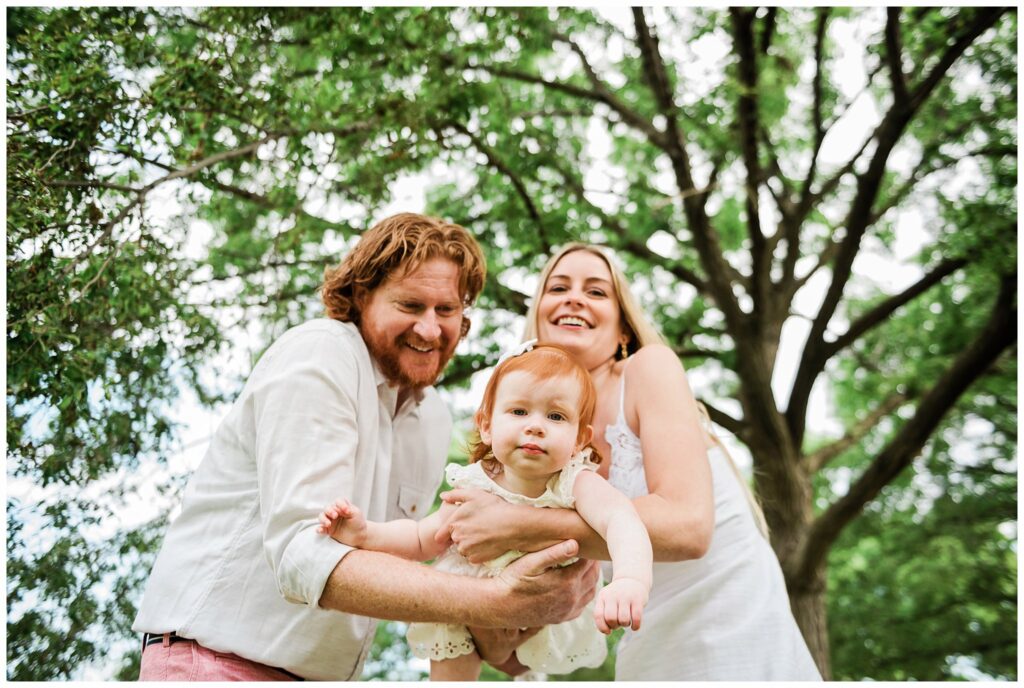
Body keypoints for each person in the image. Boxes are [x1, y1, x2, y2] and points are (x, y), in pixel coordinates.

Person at [131, 215, 600, 681]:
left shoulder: (433, 416)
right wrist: (498, 599)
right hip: (216, 663)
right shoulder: (321, 354)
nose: (431, 330)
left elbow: (422, 559)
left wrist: (521, 612)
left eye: (447, 310)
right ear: (361, 296)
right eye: (411, 305)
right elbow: (304, 557)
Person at [437, 243, 822, 680]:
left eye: (597, 292)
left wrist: (518, 524)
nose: (574, 298)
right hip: (646, 641)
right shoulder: (532, 451)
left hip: (734, 627)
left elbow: (689, 526)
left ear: (623, 330)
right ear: (539, 322)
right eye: (558, 287)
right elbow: (513, 650)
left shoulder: (647, 369)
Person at [317, 343, 652, 680]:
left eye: (556, 416)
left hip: (545, 604)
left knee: (530, 675)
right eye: (519, 412)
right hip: (464, 605)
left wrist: (630, 579)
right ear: (487, 425)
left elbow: (621, 519)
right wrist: (365, 533)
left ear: (580, 438)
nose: (536, 426)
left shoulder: (575, 482)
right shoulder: (476, 485)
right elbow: (422, 538)